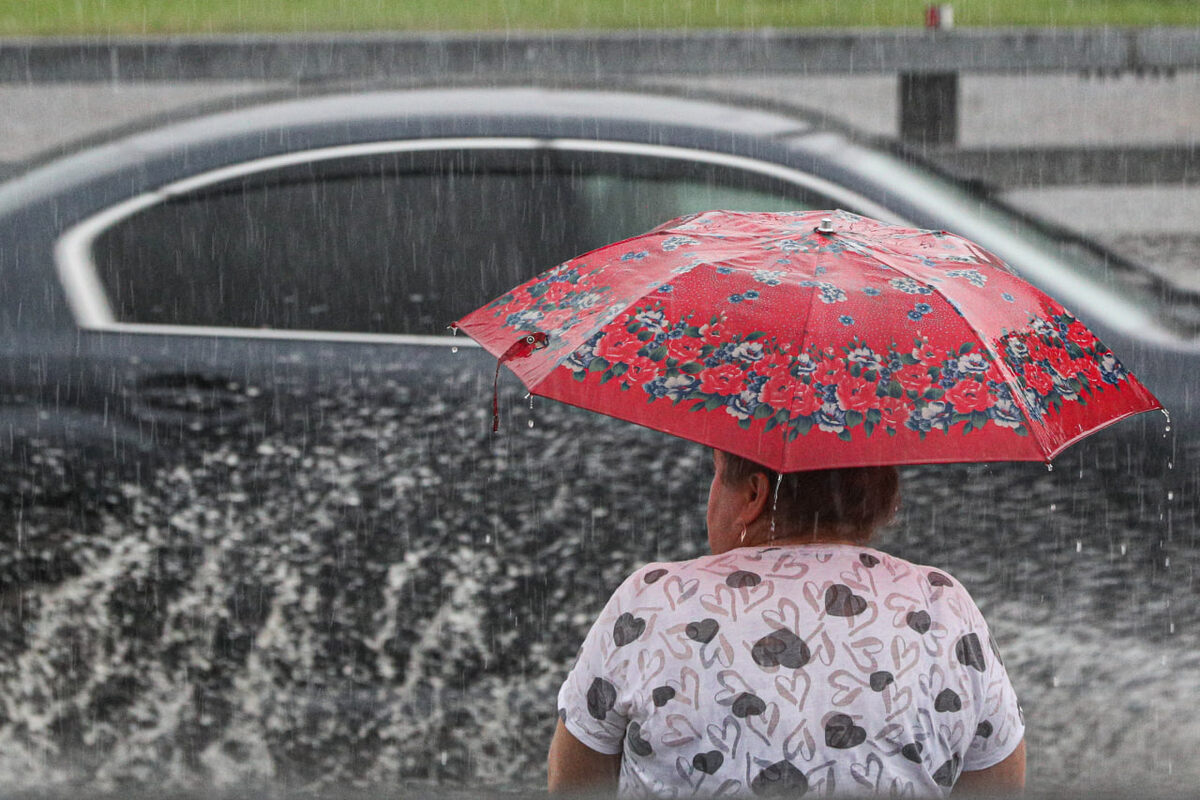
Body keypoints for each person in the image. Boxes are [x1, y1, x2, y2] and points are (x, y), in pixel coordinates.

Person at [548, 449, 1025, 796]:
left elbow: (575, 779)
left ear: (754, 494)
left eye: (716, 474)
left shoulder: (654, 598)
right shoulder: (943, 603)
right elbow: (997, 781)